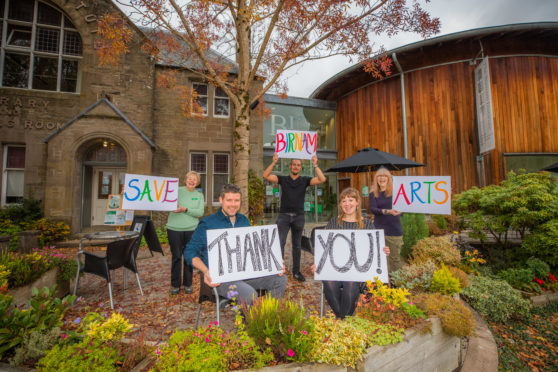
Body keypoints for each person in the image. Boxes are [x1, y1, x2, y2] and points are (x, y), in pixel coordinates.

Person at [184, 184, 287, 305]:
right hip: (222, 280)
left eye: (236, 200)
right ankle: (248, 323)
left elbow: (252, 249)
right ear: (221, 200)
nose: (233, 204)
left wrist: (274, 263)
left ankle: (268, 318)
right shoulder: (207, 223)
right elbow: (189, 252)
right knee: (249, 294)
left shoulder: (244, 220)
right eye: (229, 200)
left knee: (280, 279)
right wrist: (206, 271)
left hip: (246, 275)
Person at [312, 187, 390, 319]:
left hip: (359, 273)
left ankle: (341, 319)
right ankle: (344, 319)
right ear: (340, 204)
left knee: (351, 281)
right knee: (329, 281)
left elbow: (374, 248)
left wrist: (383, 251)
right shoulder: (333, 222)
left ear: (357, 202)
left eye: (350, 200)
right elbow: (326, 248)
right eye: (344, 201)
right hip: (336, 270)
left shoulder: (366, 224)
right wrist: (318, 263)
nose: (347, 204)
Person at [263, 153, 326, 282]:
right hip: (283, 216)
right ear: (290, 166)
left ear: (300, 168)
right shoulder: (283, 179)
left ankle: (296, 272)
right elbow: (266, 175)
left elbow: (322, 179)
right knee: (279, 243)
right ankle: (278, 270)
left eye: (298, 165)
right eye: (294, 165)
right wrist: (274, 162)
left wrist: (315, 165)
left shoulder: (305, 180)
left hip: (298, 217)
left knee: (297, 245)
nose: (296, 167)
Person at [166, 171, 205, 295]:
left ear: (197, 183)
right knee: (176, 257)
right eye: (190, 178)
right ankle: (175, 285)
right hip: (174, 229)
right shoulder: (175, 190)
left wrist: (185, 210)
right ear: (185, 180)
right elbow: (160, 198)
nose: (192, 180)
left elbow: (199, 213)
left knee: (189, 257)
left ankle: (188, 284)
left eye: (195, 179)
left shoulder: (199, 196)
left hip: (191, 230)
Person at [369, 167, 404, 272]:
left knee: (395, 260)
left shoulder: (397, 192)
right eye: (379, 176)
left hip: (394, 230)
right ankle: (382, 285)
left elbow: (404, 207)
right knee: (379, 259)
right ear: (376, 179)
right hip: (378, 230)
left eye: (385, 176)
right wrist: (388, 211)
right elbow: (373, 209)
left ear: (389, 178)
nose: (382, 178)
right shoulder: (373, 193)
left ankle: (397, 285)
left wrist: (401, 211)